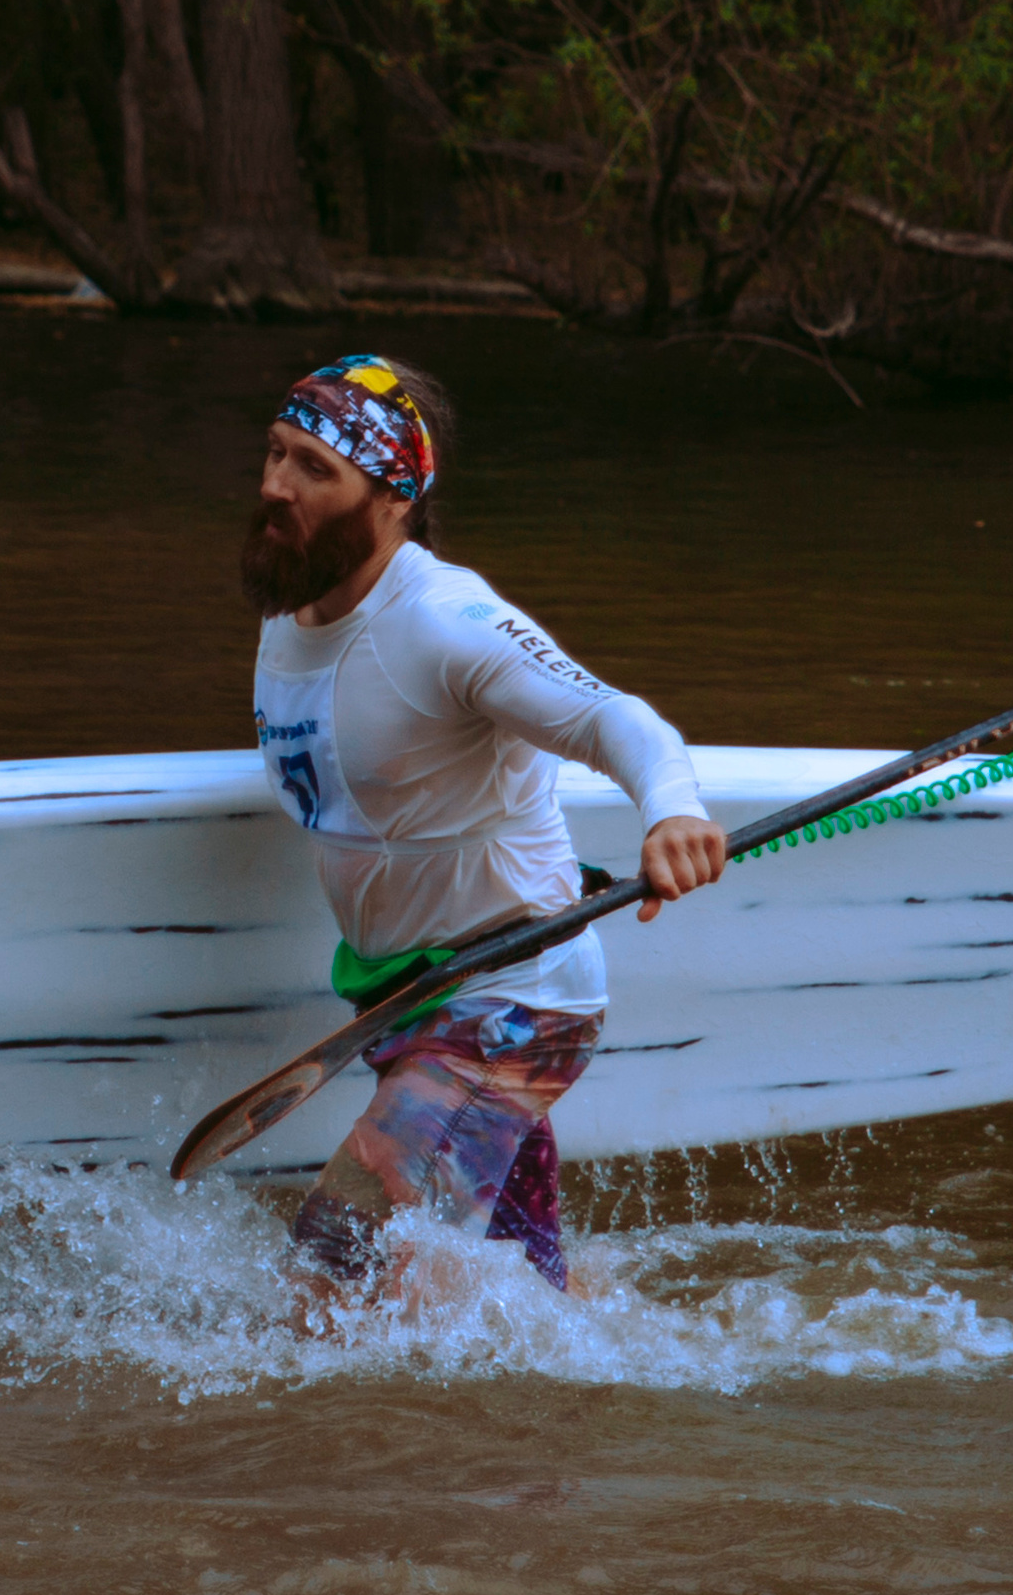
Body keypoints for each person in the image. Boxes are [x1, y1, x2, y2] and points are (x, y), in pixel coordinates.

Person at [243, 350, 726, 1306]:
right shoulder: (292, 600)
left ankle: (317, 1455)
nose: (273, 485)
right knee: (528, 1294)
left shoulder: (446, 619)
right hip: (406, 1001)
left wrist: (673, 809)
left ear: (393, 498)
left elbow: (614, 717)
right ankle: (561, 1430)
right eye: (275, 451)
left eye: (312, 468)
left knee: (337, 1253)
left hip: (515, 997)